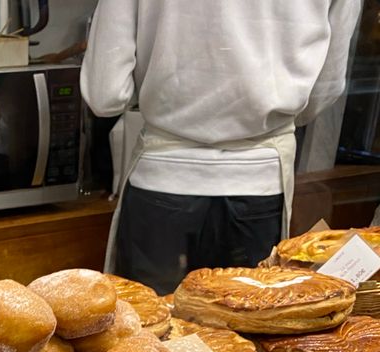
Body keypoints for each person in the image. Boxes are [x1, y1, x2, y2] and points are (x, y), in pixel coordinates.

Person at [80, 0, 362, 293]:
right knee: (246, 330)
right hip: (260, 184)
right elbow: (326, 87)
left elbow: (105, 93)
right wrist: (269, 116)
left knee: (151, 331)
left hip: (162, 181)